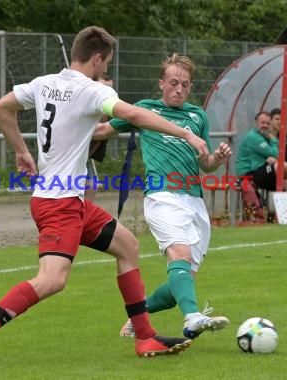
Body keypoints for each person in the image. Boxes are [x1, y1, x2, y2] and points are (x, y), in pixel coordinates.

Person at [0, 26, 210, 365]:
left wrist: (21, 151)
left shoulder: (45, 83)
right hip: (57, 204)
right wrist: (186, 134)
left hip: (70, 200)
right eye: (106, 64)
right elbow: (134, 115)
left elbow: (2, 107)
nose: (106, 71)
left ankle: (145, 337)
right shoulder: (89, 89)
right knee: (52, 279)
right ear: (98, 58)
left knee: (128, 247)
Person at [94, 53, 231, 340]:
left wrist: (216, 158)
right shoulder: (145, 110)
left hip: (194, 201)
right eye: (173, 83)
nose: (178, 89)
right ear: (161, 84)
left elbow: (205, 164)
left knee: (182, 284)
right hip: (163, 196)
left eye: (184, 84)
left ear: (190, 87)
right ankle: (193, 318)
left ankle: (138, 314)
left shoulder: (197, 116)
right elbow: (104, 130)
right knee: (178, 255)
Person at [235, 111, 287, 201]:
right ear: (255, 123)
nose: (265, 125)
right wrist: (273, 139)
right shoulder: (253, 137)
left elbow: (279, 155)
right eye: (262, 123)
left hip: (259, 170)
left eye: (267, 123)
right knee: (281, 166)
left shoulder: (264, 136)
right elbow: (277, 154)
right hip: (248, 175)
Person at [85, 73, 113, 201]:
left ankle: (85, 218)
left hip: (84, 156)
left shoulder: (109, 109)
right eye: (103, 87)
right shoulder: (84, 104)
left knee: (91, 187)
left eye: (110, 88)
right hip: (67, 155)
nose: (107, 91)